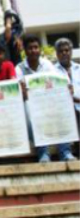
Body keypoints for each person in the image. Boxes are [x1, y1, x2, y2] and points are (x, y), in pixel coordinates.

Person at [15, 35, 75, 163]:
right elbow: (21, 94)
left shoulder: (47, 64)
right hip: (31, 105)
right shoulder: (19, 69)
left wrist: (66, 88)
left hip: (48, 102)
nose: (33, 50)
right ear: (25, 50)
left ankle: (65, 152)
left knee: (61, 107)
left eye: (36, 47)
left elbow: (57, 82)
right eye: (30, 48)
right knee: (29, 112)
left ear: (40, 49)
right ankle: (43, 152)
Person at [54, 38, 80, 121]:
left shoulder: (79, 68)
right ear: (57, 54)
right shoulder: (52, 71)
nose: (64, 53)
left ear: (71, 52)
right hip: (64, 116)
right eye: (61, 51)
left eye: (66, 50)